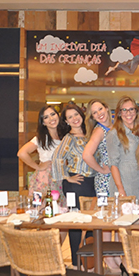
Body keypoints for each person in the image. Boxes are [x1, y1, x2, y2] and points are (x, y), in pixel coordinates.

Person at [51, 102, 95, 267]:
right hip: (76, 184)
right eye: (70, 117)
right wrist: (66, 177)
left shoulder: (90, 133)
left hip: (91, 183)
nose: (74, 119)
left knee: (91, 221)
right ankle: (77, 263)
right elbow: (57, 158)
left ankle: (90, 261)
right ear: (66, 121)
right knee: (76, 223)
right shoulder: (69, 138)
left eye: (76, 114)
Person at [17, 105, 61, 197]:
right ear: (43, 122)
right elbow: (21, 153)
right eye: (46, 117)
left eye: (53, 114)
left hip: (61, 177)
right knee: (44, 204)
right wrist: (38, 167)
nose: (51, 118)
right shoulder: (41, 138)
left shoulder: (64, 137)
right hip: (46, 178)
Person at [107, 97, 139, 199]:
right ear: (119, 113)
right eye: (124, 110)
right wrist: (120, 189)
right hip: (124, 184)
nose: (128, 113)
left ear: (136, 111)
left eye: (131, 109)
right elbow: (113, 165)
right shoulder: (114, 134)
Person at [82, 99, 112, 197]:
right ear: (93, 117)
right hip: (106, 179)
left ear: (106, 108)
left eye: (100, 109)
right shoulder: (99, 131)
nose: (99, 113)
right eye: (95, 113)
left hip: (115, 176)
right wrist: (102, 170)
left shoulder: (114, 126)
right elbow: (86, 155)